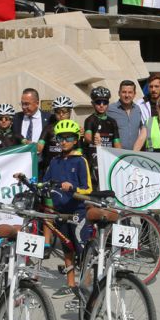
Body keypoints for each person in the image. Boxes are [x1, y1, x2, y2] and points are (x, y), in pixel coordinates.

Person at [41, 120, 95, 299]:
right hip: (59, 212)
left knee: (82, 249)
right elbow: (45, 182)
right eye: (60, 138)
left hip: (77, 212)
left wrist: (72, 188)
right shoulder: (55, 161)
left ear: (75, 139)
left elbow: (87, 188)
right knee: (67, 249)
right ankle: (70, 284)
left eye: (68, 138)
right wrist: (28, 181)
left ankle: (86, 286)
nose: (64, 141)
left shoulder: (80, 161)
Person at [85, 87, 122, 179]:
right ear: (93, 104)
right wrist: (94, 141)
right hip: (93, 159)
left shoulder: (112, 121)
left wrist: (121, 157)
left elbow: (117, 142)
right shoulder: (90, 120)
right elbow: (87, 136)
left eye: (105, 102)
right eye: (98, 102)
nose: (101, 105)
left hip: (108, 158)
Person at [38, 96, 73, 172]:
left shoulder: (76, 128)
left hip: (69, 167)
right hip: (51, 167)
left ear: (70, 112)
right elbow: (40, 146)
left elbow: (80, 150)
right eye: (57, 111)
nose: (61, 114)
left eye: (64, 111)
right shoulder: (48, 128)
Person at [107, 80, 144, 149]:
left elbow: (143, 130)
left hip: (134, 154)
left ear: (134, 94)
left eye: (130, 92)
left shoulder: (138, 109)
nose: (127, 95)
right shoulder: (110, 109)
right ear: (119, 93)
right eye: (124, 92)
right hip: (115, 154)